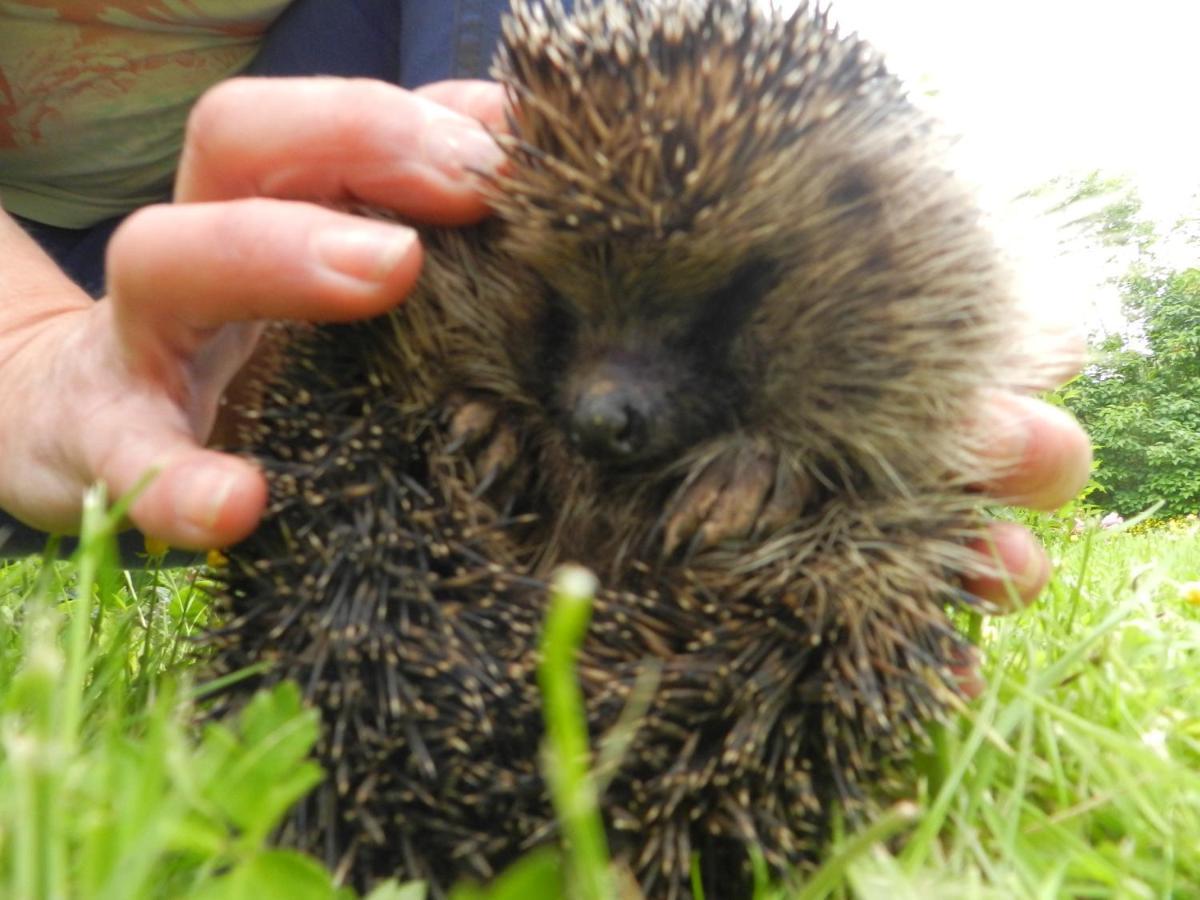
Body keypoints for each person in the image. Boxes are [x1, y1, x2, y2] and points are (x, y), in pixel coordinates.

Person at [0, 1, 1092, 619]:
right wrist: (25, 349)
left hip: (324, 171)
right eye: (576, 315)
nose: (610, 405)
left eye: (705, 325)